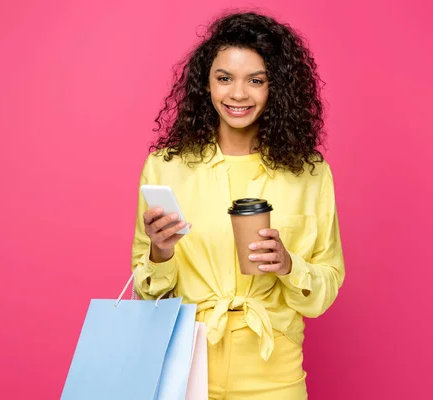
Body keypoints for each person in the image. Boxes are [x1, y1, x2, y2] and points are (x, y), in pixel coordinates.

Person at [131, 11, 345, 400]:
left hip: (274, 370)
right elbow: (146, 295)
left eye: (256, 80)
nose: (238, 94)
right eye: (224, 78)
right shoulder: (166, 166)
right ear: (205, 84)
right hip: (186, 363)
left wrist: (288, 264)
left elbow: (326, 286)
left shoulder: (310, 173)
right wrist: (160, 252)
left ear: (275, 87)